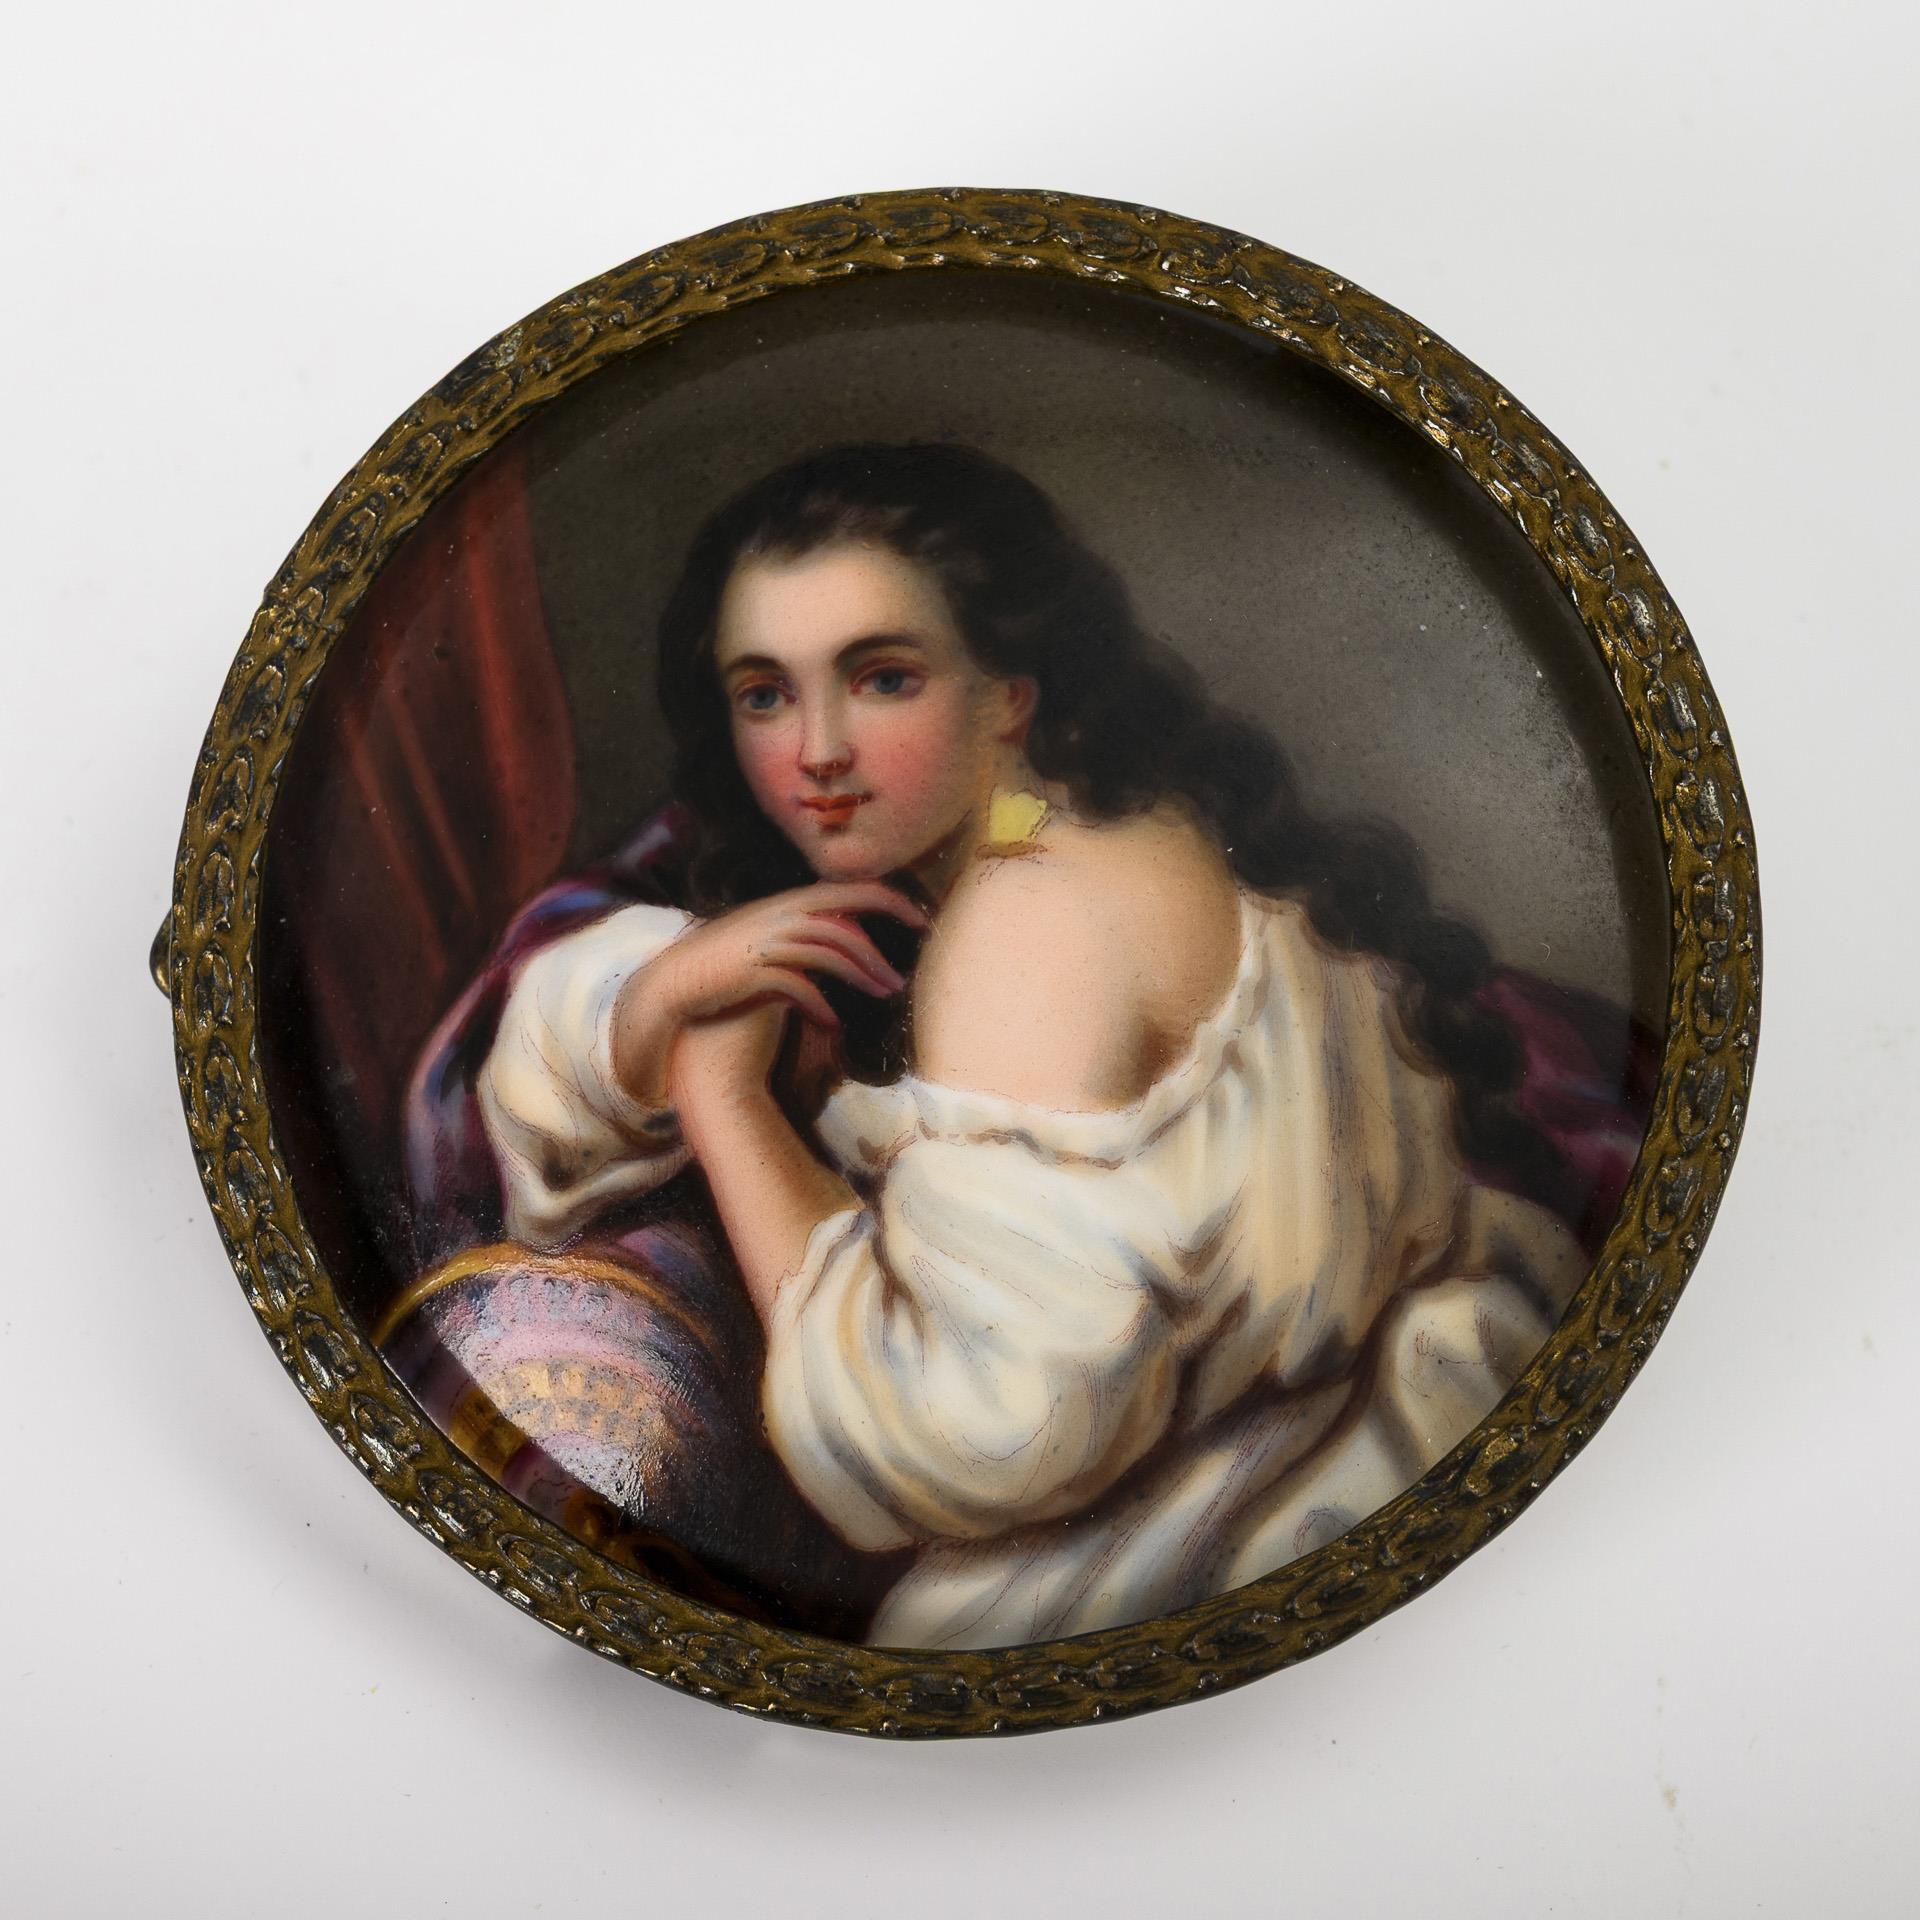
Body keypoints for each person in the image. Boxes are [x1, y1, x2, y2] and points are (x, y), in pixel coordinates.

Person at [465, 443, 1610, 1650]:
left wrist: (724, 1100)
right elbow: (553, 1068)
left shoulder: (1026, 921)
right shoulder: (1088, 835)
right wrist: (662, 997)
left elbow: (968, 1437)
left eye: (882, 678)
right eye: (765, 695)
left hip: (1210, 1551)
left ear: (1007, 693)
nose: (817, 751)